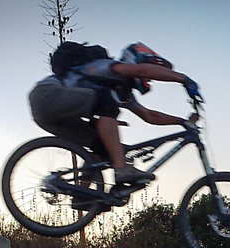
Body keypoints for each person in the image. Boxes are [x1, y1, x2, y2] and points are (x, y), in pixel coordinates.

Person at [29, 42, 202, 184]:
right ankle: (121, 169)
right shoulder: (108, 67)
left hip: (47, 117)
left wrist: (182, 122)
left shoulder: (122, 93)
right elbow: (141, 70)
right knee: (106, 102)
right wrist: (183, 79)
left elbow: (149, 116)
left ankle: (84, 197)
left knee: (102, 147)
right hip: (46, 95)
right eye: (149, 75)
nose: (148, 80)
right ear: (136, 61)